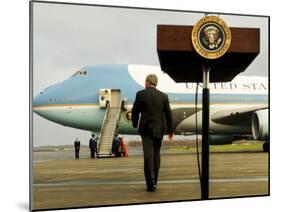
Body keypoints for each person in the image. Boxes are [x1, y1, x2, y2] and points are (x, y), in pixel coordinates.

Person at [132, 74, 173, 192]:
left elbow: (135, 111)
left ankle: (151, 184)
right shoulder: (163, 96)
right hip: (159, 129)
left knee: (148, 155)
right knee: (156, 155)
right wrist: (170, 131)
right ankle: (155, 181)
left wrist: (135, 124)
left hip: (146, 129)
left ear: (147, 82)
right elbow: (168, 114)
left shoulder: (141, 94)